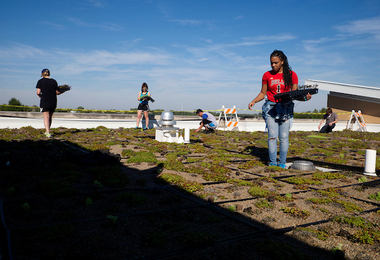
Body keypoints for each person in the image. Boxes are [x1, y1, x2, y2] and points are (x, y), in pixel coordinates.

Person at [248, 50, 311, 168]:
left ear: (282, 61)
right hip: (271, 108)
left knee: (283, 137)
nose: (273, 65)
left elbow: (295, 95)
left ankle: (282, 163)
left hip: (286, 108)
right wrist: (254, 101)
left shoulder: (292, 75)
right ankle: (272, 162)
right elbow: (263, 92)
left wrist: (306, 99)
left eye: (276, 63)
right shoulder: (267, 75)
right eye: (271, 63)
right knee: (272, 136)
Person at [36, 69, 61, 138]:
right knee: (50, 116)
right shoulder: (54, 81)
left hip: (45, 100)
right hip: (53, 101)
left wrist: (40, 96)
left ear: (42, 74)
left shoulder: (40, 81)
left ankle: (47, 132)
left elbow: (38, 92)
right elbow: (57, 92)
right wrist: (63, 90)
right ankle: (48, 130)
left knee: (46, 117)